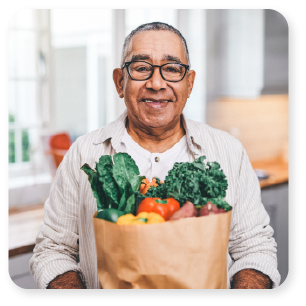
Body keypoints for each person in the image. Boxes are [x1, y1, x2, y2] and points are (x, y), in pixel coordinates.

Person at [30, 22, 280, 289]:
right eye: (141, 68)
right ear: (119, 81)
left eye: (172, 69)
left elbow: (255, 249)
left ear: (190, 82)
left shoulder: (229, 152)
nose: (157, 83)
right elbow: (53, 251)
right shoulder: (83, 154)